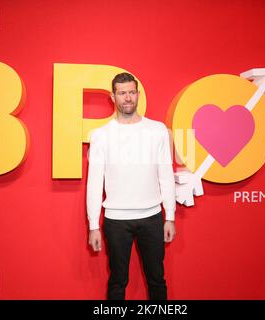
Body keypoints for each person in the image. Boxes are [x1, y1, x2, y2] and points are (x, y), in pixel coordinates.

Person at [86, 72, 176, 300]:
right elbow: (94, 183)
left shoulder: (157, 131)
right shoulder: (101, 135)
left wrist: (170, 217)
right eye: (122, 93)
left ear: (138, 94)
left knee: (157, 279)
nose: (128, 98)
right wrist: (93, 225)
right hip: (116, 220)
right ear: (113, 96)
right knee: (118, 281)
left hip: (152, 217)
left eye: (132, 92)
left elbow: (166, 174)